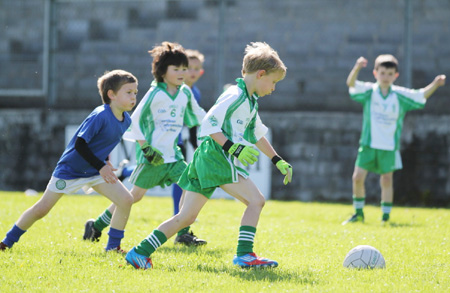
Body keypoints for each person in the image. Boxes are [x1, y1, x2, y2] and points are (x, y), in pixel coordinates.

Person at [125, 42, 293, 270]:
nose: (273, 88)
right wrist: (234, 148)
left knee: (186, 218)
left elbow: (256, 134)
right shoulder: (234, 95)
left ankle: (139, 252)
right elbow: (209, 124)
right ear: (261, 74)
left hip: (206, 159)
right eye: (273, 82)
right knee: (256, 200)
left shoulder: (250, 100)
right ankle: (244, 255)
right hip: (216, 158)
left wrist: (277, 160)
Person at [83, 42, 207, 246]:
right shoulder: (155, 94)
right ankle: (96, 226)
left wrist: (218, 124)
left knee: (190, 183)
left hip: (174, 156)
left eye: (184, 69)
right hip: (152, 158)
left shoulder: (185, 93)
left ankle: (183, 233)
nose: (182, 73)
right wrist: (145, 147)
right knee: (132, 197)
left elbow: (199, 115)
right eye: (176, 69)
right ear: (162, 72)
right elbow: (135, 121)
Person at [0, 70, 138, 252]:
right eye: (128, 92)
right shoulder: (100, 115)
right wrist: (101, 165)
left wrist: (105, 161)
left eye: (135, 93)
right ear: (111, 94)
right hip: (71, 170)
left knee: (126, 200)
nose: (133, 97)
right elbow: (81, 144)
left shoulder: (126, 120)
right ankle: (6, 242)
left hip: (95, 171)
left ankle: (113, 247)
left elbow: (102, 142)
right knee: (42, 209)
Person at [342, 55, 446, 225]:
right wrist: (357, 67)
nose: (385, 77)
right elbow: (351, 84)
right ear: (375, 73)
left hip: (389, 146)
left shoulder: (399, 95)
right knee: (357, 177)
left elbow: (420, 95)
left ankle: (385, 217)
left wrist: (435, 84)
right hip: (368, 144)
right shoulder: (369, 92)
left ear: (395, 76)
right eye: (382, 73)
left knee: (386, 180)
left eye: (390, 73)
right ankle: (358, 213)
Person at [172, 49, 205, 217]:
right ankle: (179, 217)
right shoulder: (175, 89)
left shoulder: (195, 93)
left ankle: (179, 217)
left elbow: (192, 124)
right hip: (165, 140)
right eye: (189, 67)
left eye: (196, 68)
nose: (193, 72)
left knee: (180, 176)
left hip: (177, 141)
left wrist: (197, 146)